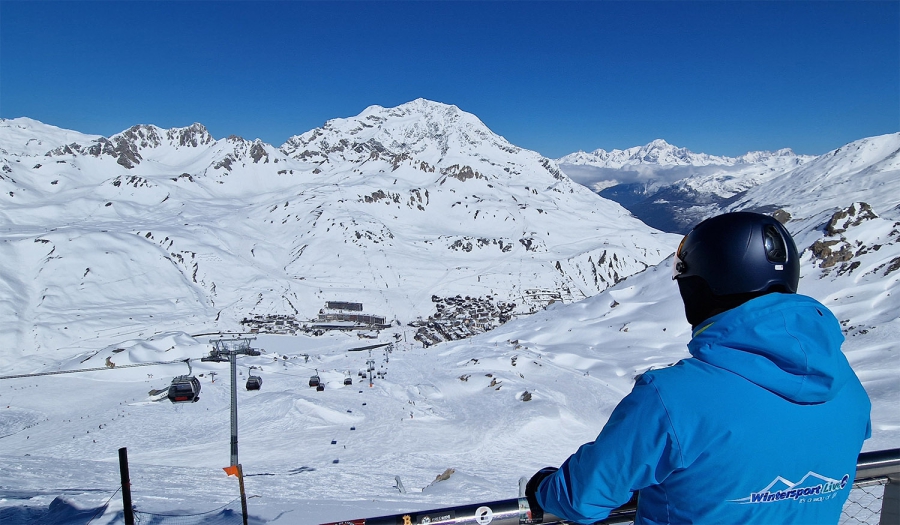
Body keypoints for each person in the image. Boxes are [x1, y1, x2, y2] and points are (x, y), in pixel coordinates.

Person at [526, 212, 871, 525]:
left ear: (700, 287)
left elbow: (583, 498)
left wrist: (542, 486)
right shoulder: (847, 387)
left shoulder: (672, 396)